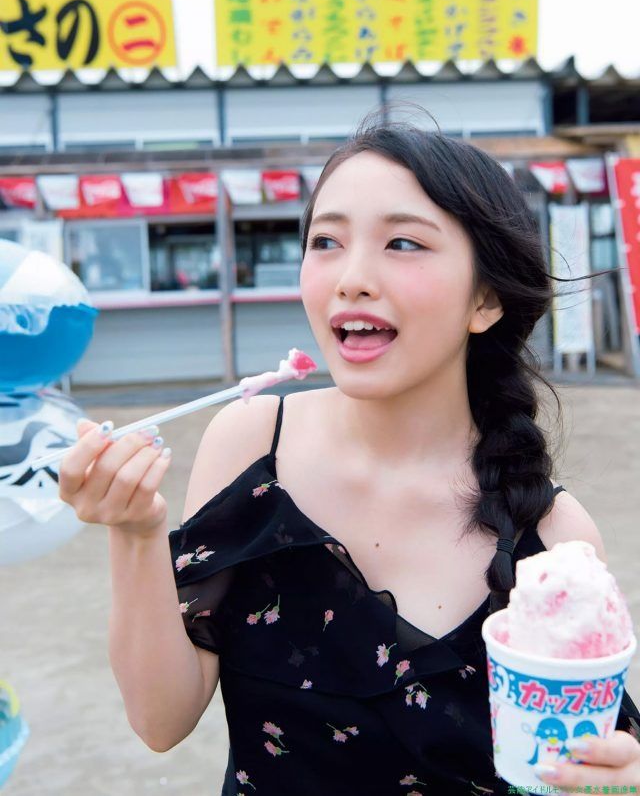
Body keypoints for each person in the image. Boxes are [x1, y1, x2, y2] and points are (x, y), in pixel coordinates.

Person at [59, 113, 640, 795]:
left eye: (403, 242)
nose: (352, 277)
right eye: (326, 241)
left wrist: (616, 780)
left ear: (485, 299)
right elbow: (161, 719)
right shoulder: (251, 443)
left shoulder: (556, 539)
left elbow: (587, 762)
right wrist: (135, 532)